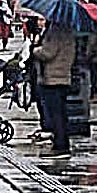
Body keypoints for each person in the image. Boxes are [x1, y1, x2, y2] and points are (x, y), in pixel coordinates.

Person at [32, 17, 76, 156]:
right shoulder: (67, 31)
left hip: (53, 78)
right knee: (61, 113)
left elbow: (48, 53)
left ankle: (60, 144)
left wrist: (35, 49)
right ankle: (61, 142)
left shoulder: (56, 32)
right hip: (62, 76)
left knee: (56, 113)